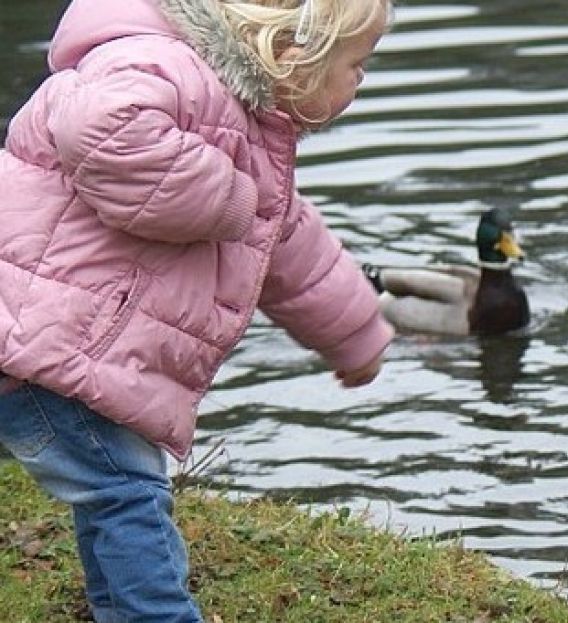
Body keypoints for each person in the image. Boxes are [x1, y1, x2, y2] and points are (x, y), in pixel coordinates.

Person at [0, 0, 394, 620]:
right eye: (358, 63)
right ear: (296, 54)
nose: (362, 80)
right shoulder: (165, 66)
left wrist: (357, 332)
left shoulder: (247, 127)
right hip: (47, 341)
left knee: (112, 493)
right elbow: (99, 126)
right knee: (126, 493)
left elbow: (294, 246)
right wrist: (225, 195)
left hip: (68, 343)